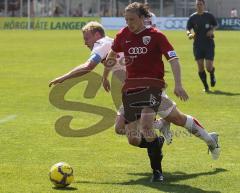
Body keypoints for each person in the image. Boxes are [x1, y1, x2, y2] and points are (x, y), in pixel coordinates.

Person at [103, 1, 220, 182]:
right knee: (130, 133)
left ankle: (157, 172)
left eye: (132, 19)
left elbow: (173, 59)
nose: (128, 23)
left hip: (153, 87)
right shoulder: (123, 35)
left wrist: (178, 84)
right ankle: (162, 139)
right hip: (132, 89)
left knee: (147, 126)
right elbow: (111, 55)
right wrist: (104, 75)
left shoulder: (156, 36)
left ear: (142, 18)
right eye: (126, 19)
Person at [186, 0, 218, 92]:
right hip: (198, 45)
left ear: (204, 5)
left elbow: (215, 25)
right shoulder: (192, 17)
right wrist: (189, 34)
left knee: (208, 67)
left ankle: (212, 74)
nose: (199, 6)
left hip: (209, 44)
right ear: (196, 6)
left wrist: (212, 30)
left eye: (201, 4)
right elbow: (188, 28)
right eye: (197, 4)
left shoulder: (209, 16)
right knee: (200, 67)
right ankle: (206, 87)